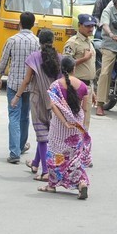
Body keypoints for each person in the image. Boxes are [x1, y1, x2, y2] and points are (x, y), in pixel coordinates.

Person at [39, 56, 92, 199]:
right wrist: (83, 127)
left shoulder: (55, 85)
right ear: (74, 68)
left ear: (61, 69)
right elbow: (85, 109)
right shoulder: (82, 86)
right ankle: (81, 182)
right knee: (75, 157)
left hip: (59, 127)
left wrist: (64, 121)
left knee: (55, 155)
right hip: (76, 127)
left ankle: (52, 185)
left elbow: (53, 106)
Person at [0, 12, 39, 164]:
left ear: (20, 23)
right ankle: (20, 146)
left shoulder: (12, 40)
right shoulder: (37, 42)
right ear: (33, 24)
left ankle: (14, 152)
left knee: (13, 116)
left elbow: (3, 61)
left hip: (14, 84)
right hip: (30, 85)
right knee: (24, 117)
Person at [14, 29, 60, 179]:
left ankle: (45, 171)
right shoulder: (59, 58)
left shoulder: (34, 57)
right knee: (47, 134)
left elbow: (27, 80)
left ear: (39, 41)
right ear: (53, 40)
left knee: (42, 136)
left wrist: (17, 96)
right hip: (55, 101)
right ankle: (35, 163)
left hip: (38, 99)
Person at [62, 13, 97, 129]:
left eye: (92, 26)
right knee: (75, 118)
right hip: (76, 85)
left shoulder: (89, 42)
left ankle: (83, 145)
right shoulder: (73, 42)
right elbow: (65, 65)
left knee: (86, 118)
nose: (90, 29)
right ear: (79, 26)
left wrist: (92, 90)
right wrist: (84, 59)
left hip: (88, 85)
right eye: (87, 26)